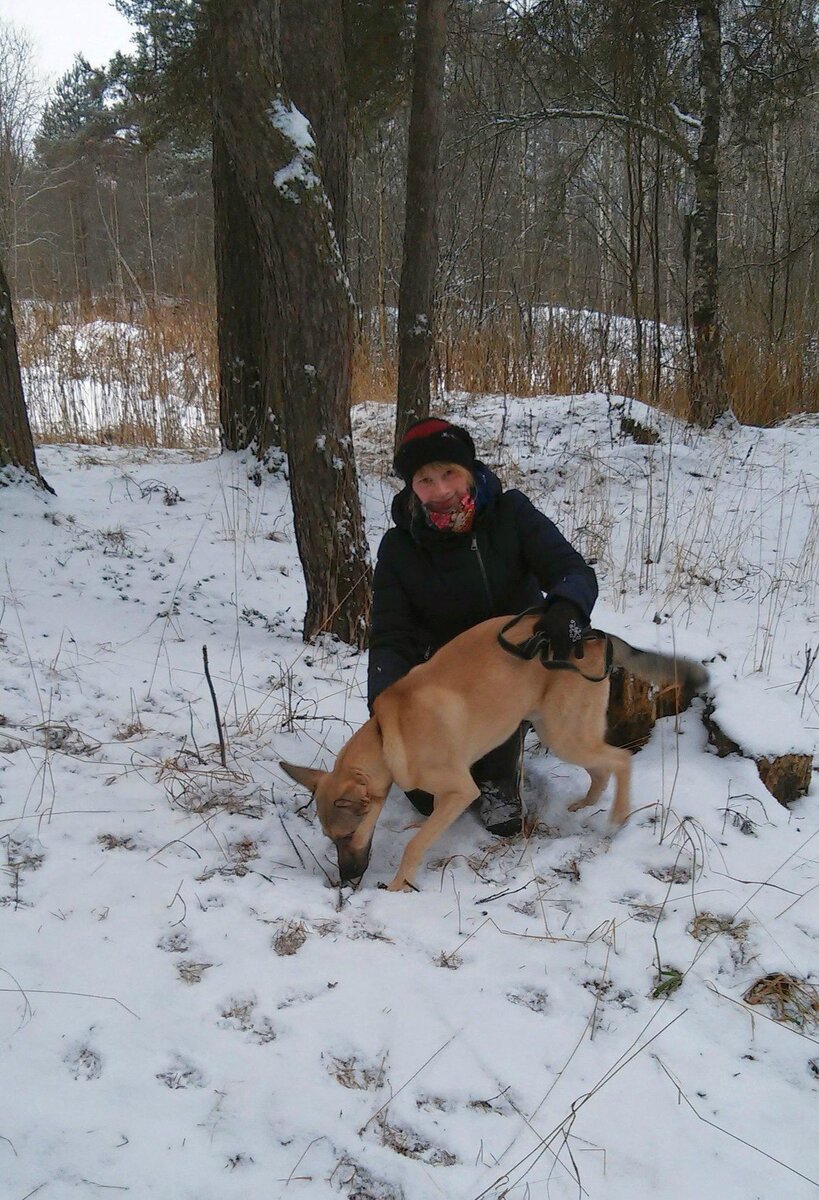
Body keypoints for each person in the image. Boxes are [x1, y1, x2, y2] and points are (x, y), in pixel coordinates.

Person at [367, 416, 599, 836]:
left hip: (515, 664)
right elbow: (390, 634)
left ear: (469, 471)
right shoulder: (400, 547)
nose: (440, 491)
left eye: (449, 473)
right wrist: (385, 701)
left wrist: (567, 607)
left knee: (494, 787)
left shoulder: (511, 513)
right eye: (425, 480)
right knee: (423, 793)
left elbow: (572, 570)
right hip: (445, 679)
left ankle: (499, 772)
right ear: (411, 488)